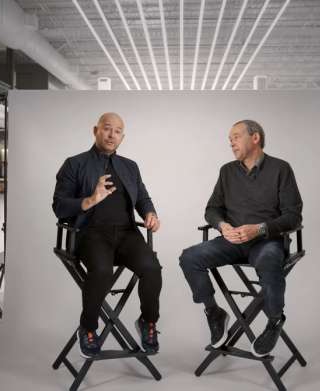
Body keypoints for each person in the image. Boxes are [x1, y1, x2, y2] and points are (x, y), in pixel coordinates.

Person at [178, 120, 303, 357]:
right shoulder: (227, 171)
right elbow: (212, 209)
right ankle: (214, 312)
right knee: (189, 257)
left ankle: (274, 320)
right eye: (230, 138)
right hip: (232, 240)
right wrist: (222, 225)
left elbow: (293, 217)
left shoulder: (281, 169)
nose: (231, 142)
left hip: (267, 241)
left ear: (255, 138)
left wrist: (260, 229)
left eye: (236, 136)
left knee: (268, 262)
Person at [52, 112, 162, 358]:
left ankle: (148, 322)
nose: (112, 135)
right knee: (102, 271)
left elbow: (142, 197)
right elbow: (59, 206)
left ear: (123, 136)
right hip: (91, 234)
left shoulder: (130, 166)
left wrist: (150, 213)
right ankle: (88, 327)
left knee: (152, 268)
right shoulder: (74, 163)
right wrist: (91, 199)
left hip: (126, 234)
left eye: (118, 131)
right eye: (107, 129)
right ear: (96, 130)